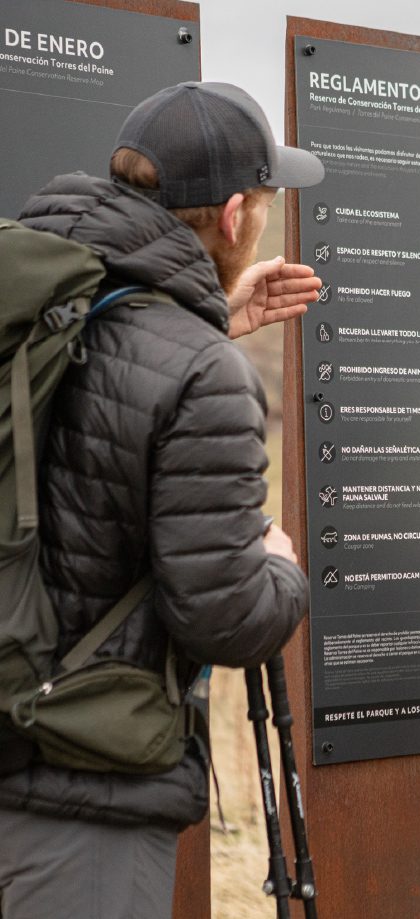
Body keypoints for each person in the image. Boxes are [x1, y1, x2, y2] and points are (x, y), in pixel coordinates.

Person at [0, 82, 322, 918]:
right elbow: (222, 615)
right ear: (232, 214)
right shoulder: (201, 372)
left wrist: (210, 319)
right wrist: (281, 571)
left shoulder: (34, 304)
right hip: (81, 787)